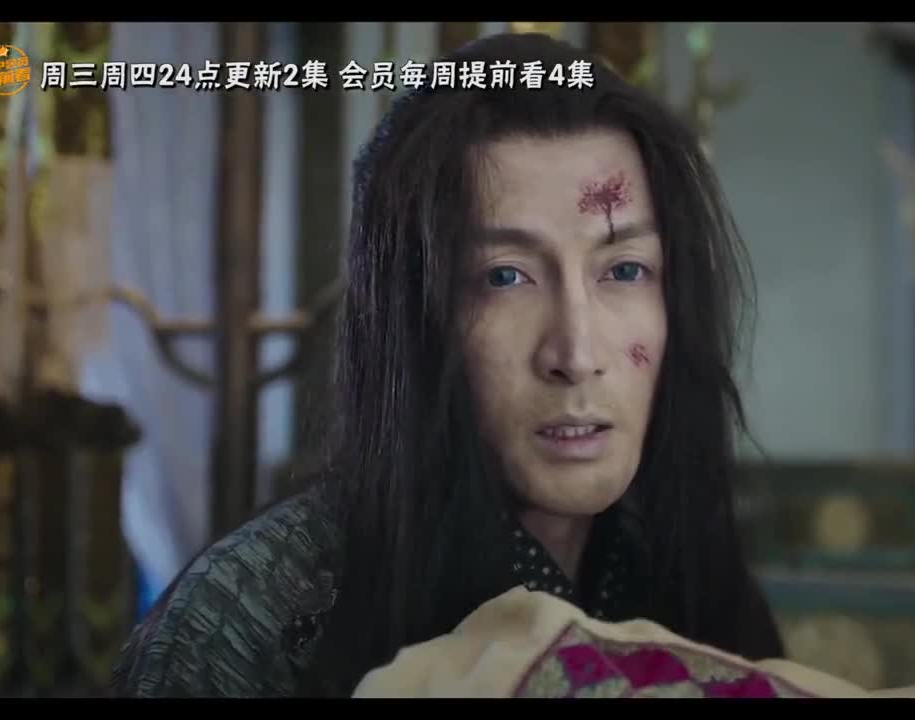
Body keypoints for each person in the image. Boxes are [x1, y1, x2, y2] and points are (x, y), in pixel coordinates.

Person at [111, 31, 780, 698]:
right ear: (413, 315)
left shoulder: (693, 585)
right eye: (505, 277)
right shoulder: (246, 620)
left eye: (624, 270)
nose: (576, 356)